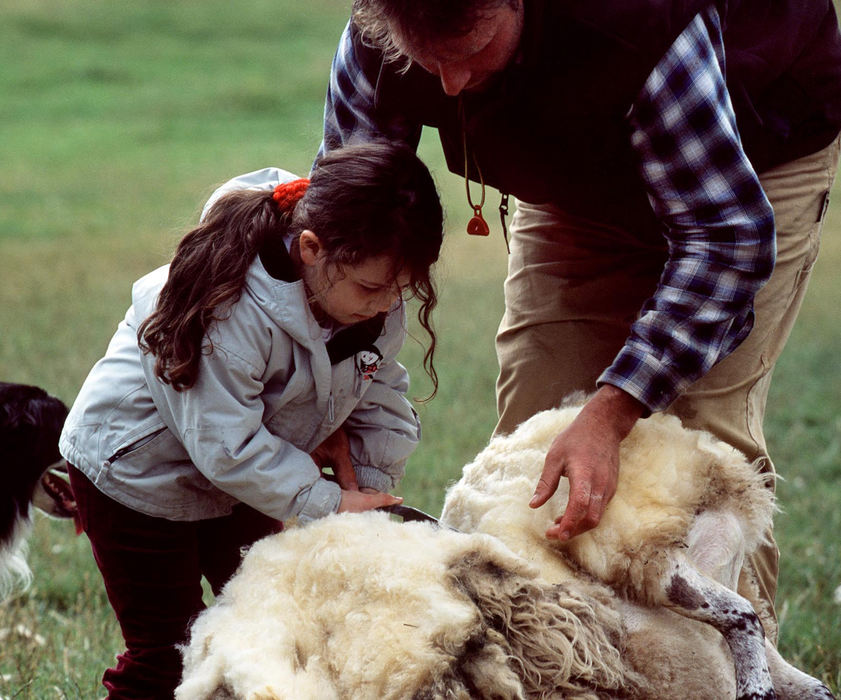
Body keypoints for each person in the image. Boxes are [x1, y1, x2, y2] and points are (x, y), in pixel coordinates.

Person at [320, 0, 841, 640]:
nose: (450, 83)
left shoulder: (636, 20)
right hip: (576, 177)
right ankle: (566, 670)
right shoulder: (384, 32)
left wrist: (613, 409)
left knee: (700, 474)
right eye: (429, 57)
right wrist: (329, 394)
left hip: (747, 161)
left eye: (470, 48)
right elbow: (352, 224)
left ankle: (733, 672)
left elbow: (725, 239)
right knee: (532, 451)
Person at [59, 140, 444, 697]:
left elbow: (379, 392)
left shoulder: (366, 299)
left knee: (273, 626)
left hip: (244, 480)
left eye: (400, 289)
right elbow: (226, 444)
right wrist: (329, 503)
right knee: (174, 653)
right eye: (372, 287)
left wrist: (369, 501)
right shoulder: (228, 306)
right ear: (311, 249)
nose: (387, 305)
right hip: (136, 479)